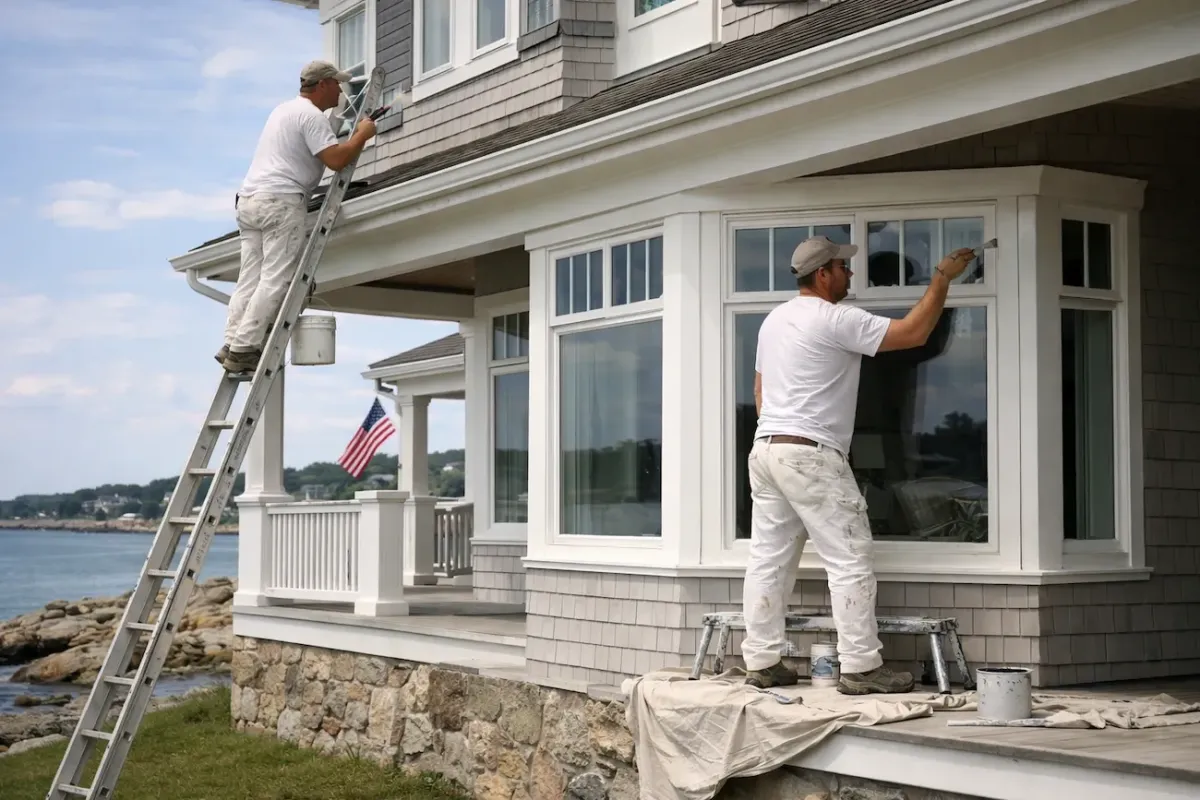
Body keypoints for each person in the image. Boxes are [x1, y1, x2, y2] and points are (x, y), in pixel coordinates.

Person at [743, 235, 976, 694]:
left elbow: (760, 391)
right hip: (809, 453)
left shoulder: (774, 321)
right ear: (823, 274)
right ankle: (861, 668)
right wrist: (943, 279)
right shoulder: (834, 319)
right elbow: (914, 334)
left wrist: (782, 433)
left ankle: (763, 660)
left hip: (767, 447)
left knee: (768, 559)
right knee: (849, 557)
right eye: (843, 268)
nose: (851, 274)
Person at [216, 60, 378, 374]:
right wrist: (362, 135)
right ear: (322, 85)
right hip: (280, 201)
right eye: (336, 84)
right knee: (276, 278)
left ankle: (231, 341)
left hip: (249, 201)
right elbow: (335, 159)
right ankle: (245, 347)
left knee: (250, 277)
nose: (341, 90)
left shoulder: (283, 110)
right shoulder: (311, 115)